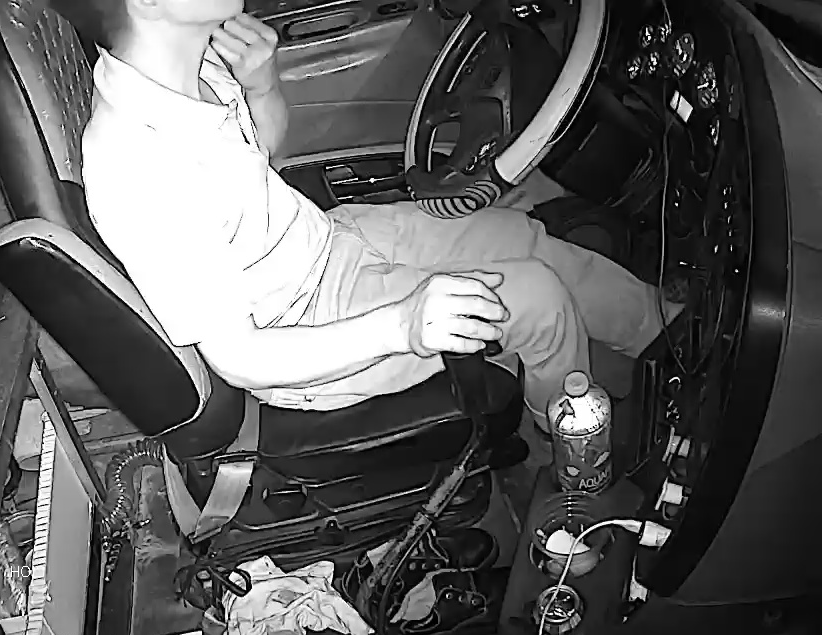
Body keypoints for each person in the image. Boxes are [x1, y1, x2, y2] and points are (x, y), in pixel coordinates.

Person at [59, 0, 683, 431]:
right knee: (535, 298)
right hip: (300, 325)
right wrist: (403, 325)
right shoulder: (135, 166)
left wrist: (262, 84)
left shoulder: (190, 62)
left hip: (330, 239)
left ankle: (669, 333)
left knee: (520, 236)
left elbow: (261, 153)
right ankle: (573, 453)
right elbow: (238, 355)